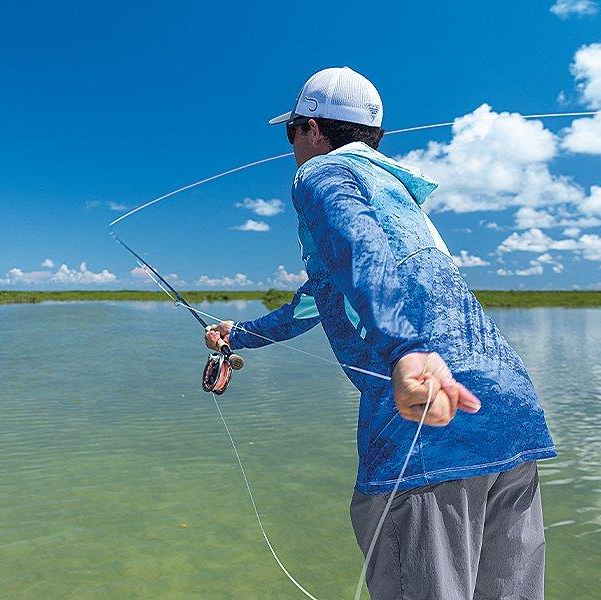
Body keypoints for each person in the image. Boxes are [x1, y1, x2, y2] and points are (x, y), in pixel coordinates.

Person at [204, 67, 556, 600]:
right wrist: (239, 336)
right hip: (509, 418)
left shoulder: (321, 175)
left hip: (426, 422)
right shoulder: (399, 199)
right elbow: (317, 300)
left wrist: (405, 350)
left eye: (292, 131)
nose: (292, 146)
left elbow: (358, 247)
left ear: (313, 129)